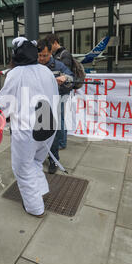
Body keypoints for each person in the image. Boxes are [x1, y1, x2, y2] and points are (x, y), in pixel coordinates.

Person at [0, 37, 58, 217]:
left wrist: (3, 117)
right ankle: (40, 191)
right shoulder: (46, 71)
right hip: (48, 123)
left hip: (27, 128)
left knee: (22, 168)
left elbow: (5, 102)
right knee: (36, 161)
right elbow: (54, 94)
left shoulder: (15, 74)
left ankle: (34, 207)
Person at [37, 39, 74, 174]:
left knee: (55, 131)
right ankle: (39, 157)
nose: (41, 58)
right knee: (39, 131)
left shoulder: (59, 65)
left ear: (50, 53)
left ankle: (54, 159)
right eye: (39, 55)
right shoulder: (34, 66)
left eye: (44, 55)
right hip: (38, 104)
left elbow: (71, 77)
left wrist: (64, 78)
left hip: (55, 101)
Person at [45, 34, 73, 150]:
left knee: (59, 117)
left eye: (50, 46)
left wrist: (62, 79)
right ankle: (60, 141)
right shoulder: (59, 54)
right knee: (58, 117)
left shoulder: (64, 55)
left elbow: (67, 75)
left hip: (61, 92)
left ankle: (61, 142)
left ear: (55, 42)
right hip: (57, 92)